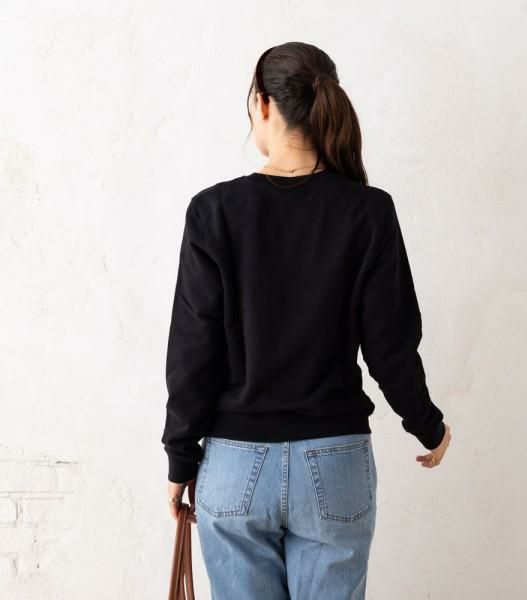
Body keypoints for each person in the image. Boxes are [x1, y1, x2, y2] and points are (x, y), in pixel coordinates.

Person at [161, 41, 452, 600]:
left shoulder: (213, 211)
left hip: (235, 465)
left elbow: (193, 350)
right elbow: (390, 344)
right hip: (335, 462)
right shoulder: (369, 211)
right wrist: (427, 425)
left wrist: (180, 458)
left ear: (263, 104)